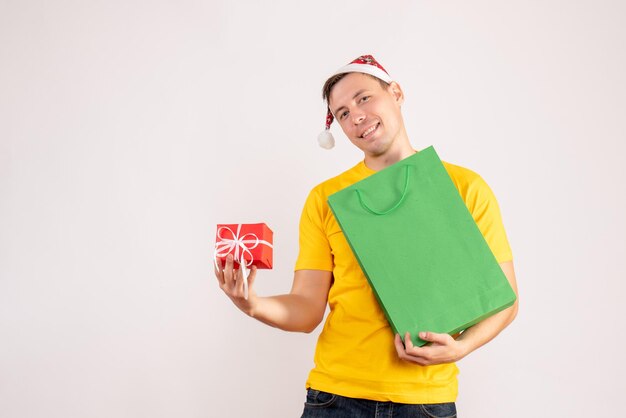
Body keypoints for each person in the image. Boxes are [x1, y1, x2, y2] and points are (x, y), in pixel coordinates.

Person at [214, 55, 519, 418]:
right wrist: (253, 304)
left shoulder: (465, 187)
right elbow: (307, 309)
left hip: (426, 400)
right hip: (335, 397)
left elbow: (505, 298)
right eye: (341, 113)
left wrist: (461, 348)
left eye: (363, 98)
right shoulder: (326, 199)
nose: (355, 116)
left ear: (397, 93)